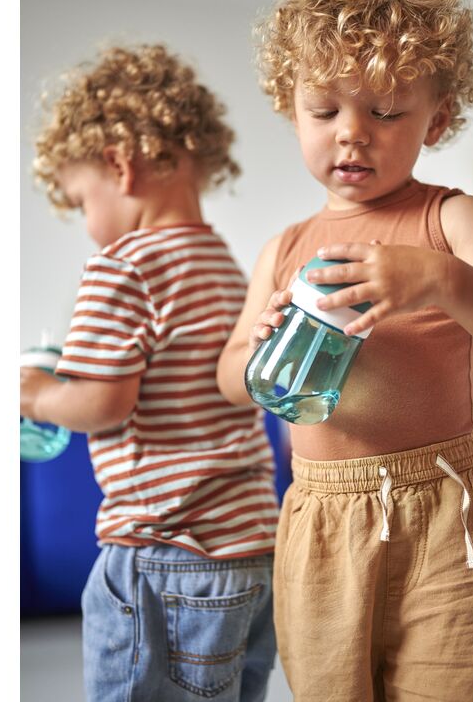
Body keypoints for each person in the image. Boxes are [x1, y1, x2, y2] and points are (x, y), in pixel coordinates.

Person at [216, 0, 473, 701]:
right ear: (291, 109)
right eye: (324, 111)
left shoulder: (451, 219)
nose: (352, 134)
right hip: (319, 518)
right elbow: (230, 380)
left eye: (384, 112)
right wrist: (256, 342)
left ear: (435, 119)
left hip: (444, 514)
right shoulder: (282, 247)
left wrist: (437, 278)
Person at [21, 44, 279, 702]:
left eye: (82, 201)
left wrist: (43, 396)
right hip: (253, 552)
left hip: (164, 551)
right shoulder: (224, 264)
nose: (88, 226)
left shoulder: (123, 263)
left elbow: (104, 402)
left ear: (118, 165)